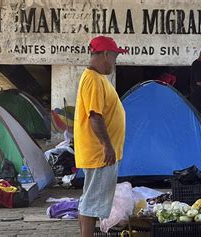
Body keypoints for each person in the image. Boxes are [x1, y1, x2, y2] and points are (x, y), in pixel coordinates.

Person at [74, 36, 127, 237]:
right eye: (115, 56)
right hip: (99, 154)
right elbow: (95, 116)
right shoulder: (93, 80)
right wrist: (107, 145)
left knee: (89, 201)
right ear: (106, 54)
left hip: (98, 153)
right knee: (92, 204)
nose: (115, 61)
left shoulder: (95, 78)